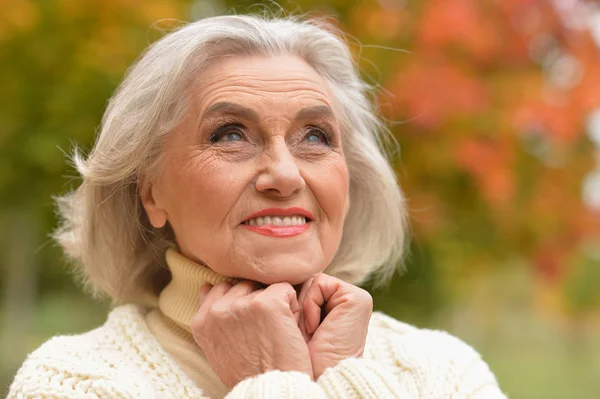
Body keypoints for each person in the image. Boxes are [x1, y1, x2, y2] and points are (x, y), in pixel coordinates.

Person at [8, 14, 507, 398]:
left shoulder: (442, 371)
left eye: (315, 136)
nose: (286, 174)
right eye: (230, 134)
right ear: (151, 192)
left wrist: (335, 376)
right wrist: (279, 381)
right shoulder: (75, 383)